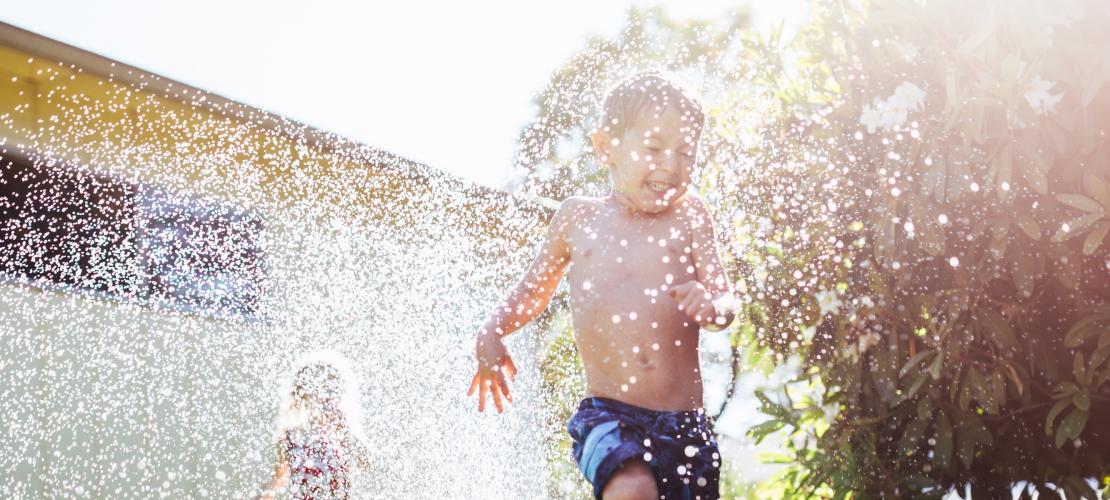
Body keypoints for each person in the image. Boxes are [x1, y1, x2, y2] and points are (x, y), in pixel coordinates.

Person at [467, 73, 736, 500]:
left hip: (687, 425)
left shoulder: (690, 216)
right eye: (653, 148)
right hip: (610, 416)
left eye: (686, 152)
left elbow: (725, 299)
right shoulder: (578, 219)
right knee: (632, 488)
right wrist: (493, 328)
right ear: (605, 146)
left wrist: (714, 307)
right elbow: (534, 290)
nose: (670, 164)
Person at [260, 352, 371, 500]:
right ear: (304, 394)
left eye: (333, 389)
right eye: (323, 389)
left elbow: (366, 462)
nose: (328, 397)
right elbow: (280, 477)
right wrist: (264, 494)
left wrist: (345, 432)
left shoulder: (341, 432)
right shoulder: (291, 437)